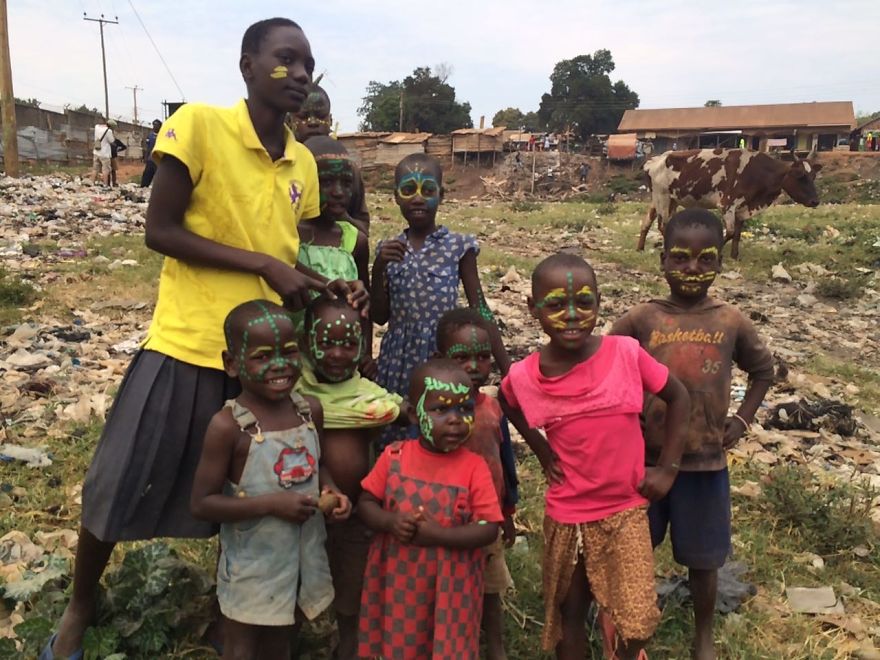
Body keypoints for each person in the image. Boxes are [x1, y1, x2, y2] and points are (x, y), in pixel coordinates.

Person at [41, 18, 367, 660]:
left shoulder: (300, 161)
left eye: (308, 64)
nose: (300, 74)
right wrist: (262, 266)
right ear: (247, 66)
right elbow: (159, 231)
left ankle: (238, 616)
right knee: (122, 474)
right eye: (285, 60)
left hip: (266, 355)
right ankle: (82, 603)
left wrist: (325, 287)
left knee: (255, 485)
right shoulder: (198, 126)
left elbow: (281, 251)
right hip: (188, 341)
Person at [499, 252, 690, 660]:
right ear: (533, 310)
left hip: (624, 510)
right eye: (555, 305)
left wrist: (668, 470)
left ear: (600, 303)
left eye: (584, 302)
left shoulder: (624, 354)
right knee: (571, 609)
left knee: (636, 618)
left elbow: (679, 397)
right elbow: (507, 401)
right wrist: (541, 448)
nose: (571, 315)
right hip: (568, 512)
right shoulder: (527, 374)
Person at [611, 209, 774, 660]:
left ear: (720, 263)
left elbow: (763, 371)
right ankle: (629, 628)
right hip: (644, 462)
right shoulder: (641, 319)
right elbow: (606, 364)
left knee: (704, 559)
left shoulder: (730, 321)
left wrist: (739, 421)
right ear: (662, 260)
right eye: (680, 259)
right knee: (635, 551)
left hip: (704, 462)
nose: (692, 270)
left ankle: (703, 638)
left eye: (705, 260)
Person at [190, 300, 351, 659]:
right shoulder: (228, 426)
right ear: (231, 364)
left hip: (301, 556)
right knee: (242, 643)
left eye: (289, 352)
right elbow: (201, 504)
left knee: (283, 638)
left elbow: (317, 464)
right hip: (253, 562)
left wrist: (331, 489)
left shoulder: (310, 410)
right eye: (262, 357)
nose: (279, 365)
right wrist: (272, 505)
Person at [357, 359, 503, 659]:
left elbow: (488, 527)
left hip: (454, 589)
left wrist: (439, 535)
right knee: (402, 644)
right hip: (400, 584)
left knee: (449, 646)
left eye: (464, 409)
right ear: (413, 413)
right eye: (440, 409)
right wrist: (390, 521)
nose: (455, 420)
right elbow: (366, 503)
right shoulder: (394, 457)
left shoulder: (474, 468)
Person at [371, 153, 510, 446]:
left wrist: (508, 368)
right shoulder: (389, 248)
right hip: (398, 359)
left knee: (442, 428)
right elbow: (380, 316)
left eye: (428, 190)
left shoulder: (459, 246)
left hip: (443, 355)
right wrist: (379, 268)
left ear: (442, 195)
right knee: (397, 431)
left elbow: (479, 307)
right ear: (396, 197)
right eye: (408, 190)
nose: (418, 199)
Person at [295, 296, 407, 659]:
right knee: (294, 578)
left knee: (352, 582)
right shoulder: (295, 393)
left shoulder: (368, 397)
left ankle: (349, 642)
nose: (338, 353)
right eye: (325, 342)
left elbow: (400, 409)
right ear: (304, 343)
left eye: (348, 343)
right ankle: (285, 639)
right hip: (299, 511)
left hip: (356, 513)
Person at [436, 308, 516, 660]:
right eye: (462, 357)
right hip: (445, 521)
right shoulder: (434, 411)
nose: (474, 366)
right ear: (441, 360)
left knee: (490, 589)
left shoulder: (493, 408)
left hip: (488, 520)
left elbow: (506, 464)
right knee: (447, 590)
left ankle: (495, 646)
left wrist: (509, 510)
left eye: (483, 357)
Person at [299, 135, 375, 376]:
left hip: (340, 363)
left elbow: (365, 305)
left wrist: (365, 354)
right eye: (327, 182)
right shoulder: (286, 235)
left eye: (346, 182)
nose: (339, 192)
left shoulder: (355, 241)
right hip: (294, 362)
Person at [290, 81, 371, 233]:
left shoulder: (347, 168)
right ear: (290, 121)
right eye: (304, 116)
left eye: (320, 116)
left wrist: (340, 215)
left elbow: (363, 230)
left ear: (331, 120)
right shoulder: (284, 165)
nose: (312, 122)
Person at [92, 117, 115, 186]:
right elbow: (112, 141)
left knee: (95, 168)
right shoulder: (109, 131)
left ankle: (92, 183)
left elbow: (99, 125)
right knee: (105, 170)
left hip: (96, 151)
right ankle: (105, 184)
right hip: (104, 153)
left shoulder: (96, 127)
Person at [140, 119, 163, 187]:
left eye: (156, 125)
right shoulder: (150, 135)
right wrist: (145, 157)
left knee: (159, 175)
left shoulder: (162, 135)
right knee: (147, 174)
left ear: (160, 126)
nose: (154, 126)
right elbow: (147, 147)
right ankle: (143, 187)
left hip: (158, 159)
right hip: (150, 159)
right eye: (154, 125)